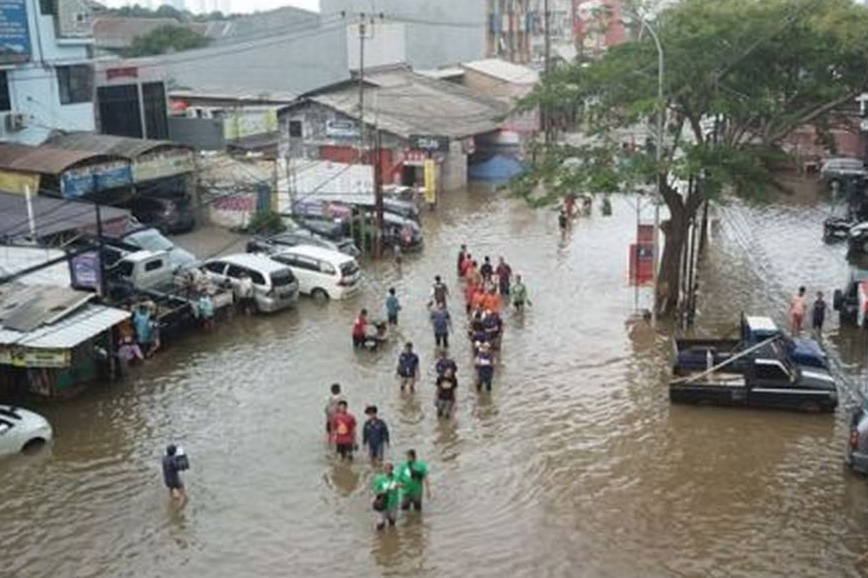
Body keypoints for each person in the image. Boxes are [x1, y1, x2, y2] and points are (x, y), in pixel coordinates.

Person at [372, 462, 402, 531]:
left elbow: (402, 484)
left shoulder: (396, 477)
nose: (388, 471)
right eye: (386, 469)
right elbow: (375, 490)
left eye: (389, 469)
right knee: (380, 523)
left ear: (392, 470)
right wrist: (384, 491)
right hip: (383, 503)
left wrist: (398, 485)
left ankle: (391, 534)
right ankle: (380, 536)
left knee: (392, 521)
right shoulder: (379, 479)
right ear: (384, 470)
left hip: (393, 503)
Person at [162, 444, 190, 508]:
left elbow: (171, 458)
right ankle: (179, 508)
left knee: (171, 489)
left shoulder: (164, 458)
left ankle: (172, 500)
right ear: (174, 452)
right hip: (174, 480)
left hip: (167, 479)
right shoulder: (173, 460)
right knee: (182, 493)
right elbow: (179, 467)